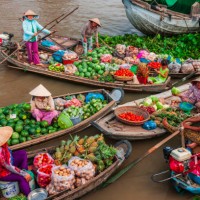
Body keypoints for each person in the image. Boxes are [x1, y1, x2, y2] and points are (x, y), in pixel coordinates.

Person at [0, 127, 31, 196]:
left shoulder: (2, 145)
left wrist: (23, 171)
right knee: (22, 178)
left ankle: (24, 170)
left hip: (9, 161)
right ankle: (29, 196)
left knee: (22, 153)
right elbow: (9, 167)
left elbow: (8, 155)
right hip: (3, 173)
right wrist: (23, 174)